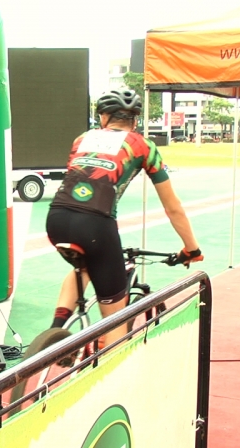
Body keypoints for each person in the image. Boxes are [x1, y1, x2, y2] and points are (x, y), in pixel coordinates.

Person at [45, 88, 203, 347]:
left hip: (57, 219)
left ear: (103, 117)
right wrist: (191, 248)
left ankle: (53, 334)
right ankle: (110, 349)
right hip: (96, 225)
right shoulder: (143, 145)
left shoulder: (82, 139)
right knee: (115, 321)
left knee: (84, 267)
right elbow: (172, 207)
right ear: (135, 120)